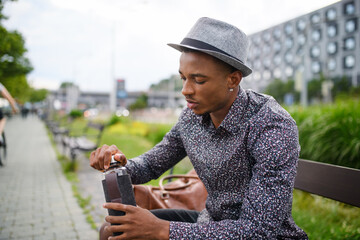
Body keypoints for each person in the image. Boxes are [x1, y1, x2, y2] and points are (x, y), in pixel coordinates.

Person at [90, 17, 308, 239]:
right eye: (183, 78)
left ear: (233, 80)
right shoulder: (192, 118)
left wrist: (162, 230)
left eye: (198, 80)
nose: (186, 90)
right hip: (209, 222)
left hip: (257, 234)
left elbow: (259, 230)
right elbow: (150, 165)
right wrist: (117, 161)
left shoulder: (271, 125)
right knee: (111, 231)